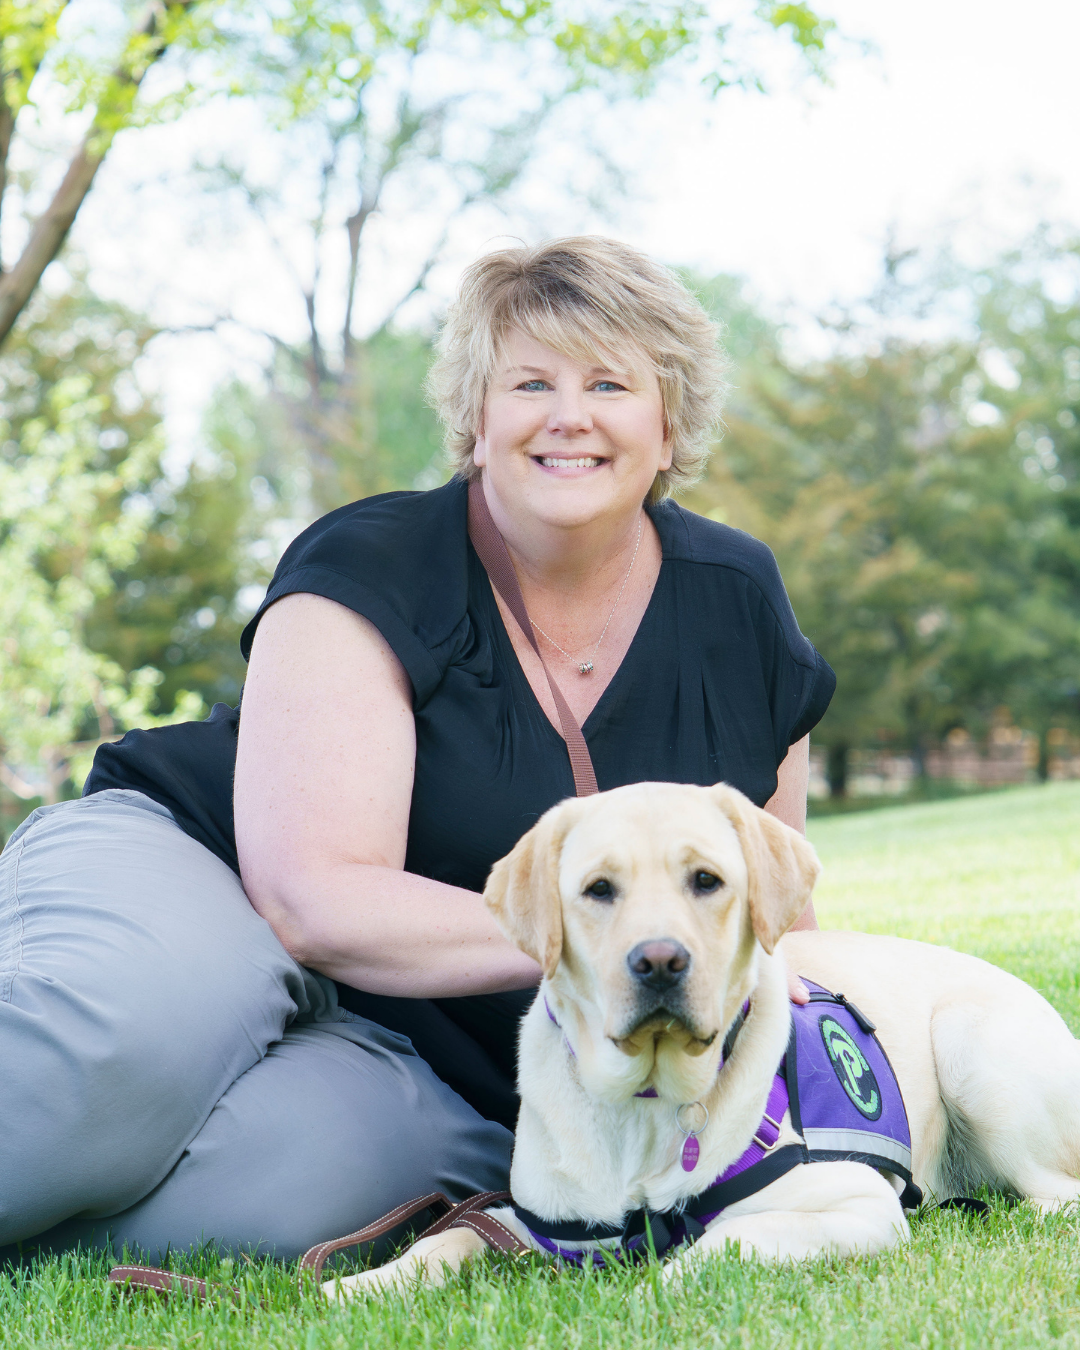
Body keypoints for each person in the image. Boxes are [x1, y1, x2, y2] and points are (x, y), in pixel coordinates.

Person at [0, 237, 834, 1263]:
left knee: (272, 1204)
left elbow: (776, 912)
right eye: (530, 382)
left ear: (669, 427)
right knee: (123, 1057)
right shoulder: (372, 561)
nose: (568, 414)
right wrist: (606, 948)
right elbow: (309, 899)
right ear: (477, 424)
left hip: (430, 1040)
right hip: (202, 866)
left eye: (610, 383)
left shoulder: (739, 603)